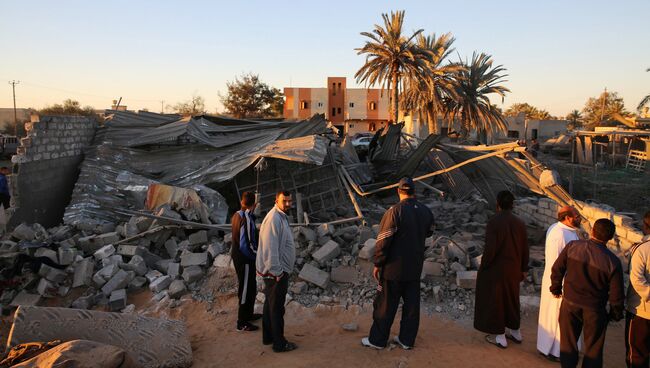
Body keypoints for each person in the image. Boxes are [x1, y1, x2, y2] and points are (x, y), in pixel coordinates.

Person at [361, 177, 434, 350]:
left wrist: (378, 263)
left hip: (393, 270)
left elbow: (383, 241)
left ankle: (377, 341)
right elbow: (429, 236)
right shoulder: (425, 211)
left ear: (398, 191)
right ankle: (406, 340)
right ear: (414, 191)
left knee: (385, 306)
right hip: (415, 268)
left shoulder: (394, 211)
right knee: (411, 308)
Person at [550, 218, 624, 368]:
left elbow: (557, 269)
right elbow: (617, 295)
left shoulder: (573, 247)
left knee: (568, 344)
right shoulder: (613, 262)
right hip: (595, 310)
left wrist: (556, 288)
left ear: (592, 231)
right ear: (610, 238)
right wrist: (615, 314)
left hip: (570, 304)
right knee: (593, 349)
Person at [474, 190, 529, 348]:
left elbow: (491, 248)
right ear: (512, 204)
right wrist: (524, 268)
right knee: (512, 300)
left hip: (497, 270)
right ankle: (515, 331)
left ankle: (499, 336)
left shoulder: (494, 222)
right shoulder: (520, 223)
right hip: (514, 269)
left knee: (497, 301)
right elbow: (525, 248)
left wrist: (483, 266)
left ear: (498, 204)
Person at [537, 206, 582, 361]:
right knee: (558, 317)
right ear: (567, 217)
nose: (579, 218)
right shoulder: (559, 233)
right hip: (559, 282)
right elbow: (557, 263)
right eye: (576, 215)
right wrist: (559, 284)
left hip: (565, 281)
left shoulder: (567, 231)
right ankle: (555, 351)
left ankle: (557, 349)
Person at [256, 191, 297, 353]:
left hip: (277, 270)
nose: (287, 204)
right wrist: (277, 272)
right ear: (276, 201)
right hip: (276, 272)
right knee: (277, 308)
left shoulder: (280, 216)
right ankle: (279, 343)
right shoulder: (274, 219)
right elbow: (269, 248)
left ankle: (268, 337)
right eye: (284, 201)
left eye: (289, 201)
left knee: (270, 305)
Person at [231, 191, 261, 332]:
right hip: (245, 258)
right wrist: (257, 256)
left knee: (251, 286)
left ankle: (248, 314)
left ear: (242, 202)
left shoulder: (237, 215)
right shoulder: (247, 218)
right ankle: (242, 321)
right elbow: (246, 244)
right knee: (245, 289)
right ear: (254, 204)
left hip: (239, 256)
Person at [625, 211, 650, 368]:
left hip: (641, 310)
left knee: (637, 353)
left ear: (646, 226)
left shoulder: (641, 249)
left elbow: (636, 279)